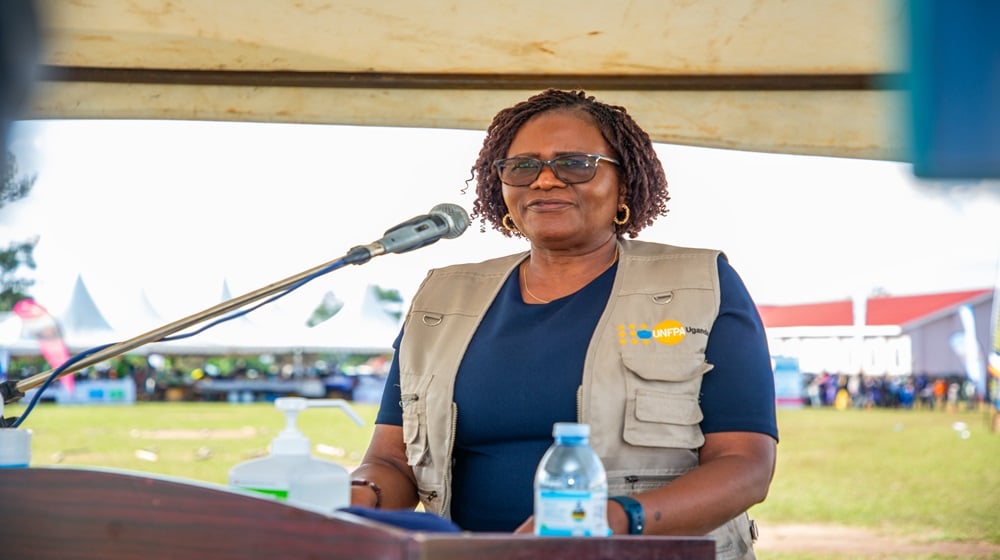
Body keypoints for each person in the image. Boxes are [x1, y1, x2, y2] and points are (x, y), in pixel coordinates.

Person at [349, 89, 778, 559]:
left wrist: (614, 521)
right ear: (502, 187)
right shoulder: (442, 298)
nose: (546, 181)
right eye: (523, 167)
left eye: (576, 164)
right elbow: (391, 460)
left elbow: (744, 464)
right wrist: (358, 494)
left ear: (625, 182)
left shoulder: (702, 285)